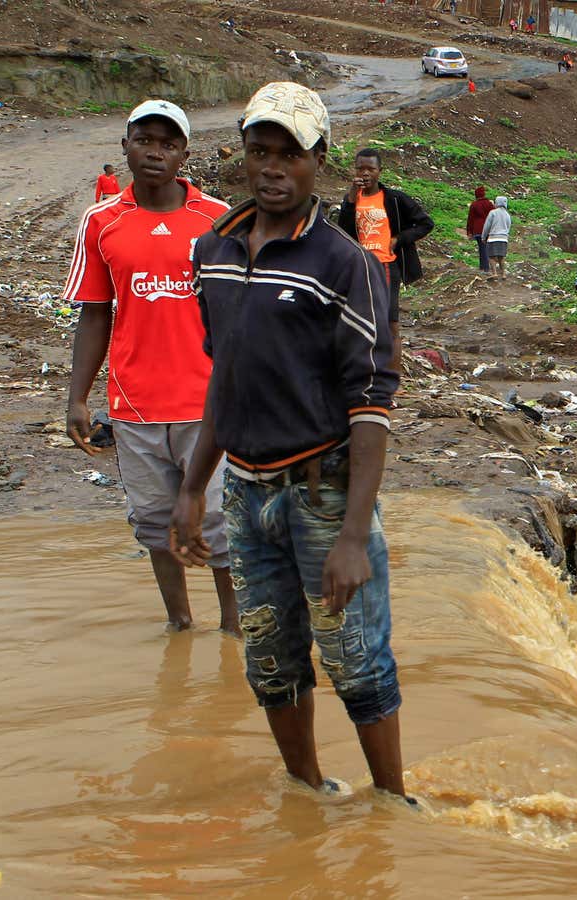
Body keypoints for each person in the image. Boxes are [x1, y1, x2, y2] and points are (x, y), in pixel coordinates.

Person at [172, 81, 409, 802]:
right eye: (260, 152)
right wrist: (191, 490)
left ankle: (393, 805)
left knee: (358, 662)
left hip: (323, 490)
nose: (273, 169)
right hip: (246, 495)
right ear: (243, 156)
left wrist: (350, 535)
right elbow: (225, 378)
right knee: (270, 664)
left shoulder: (346, 265)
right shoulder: (210, 253)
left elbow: (371, 405)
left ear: (320, 162)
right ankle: (308, 793)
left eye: (290, 155)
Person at [64, 100, 238, 635]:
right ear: (125, 146)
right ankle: (180, 625)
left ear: (185, 152)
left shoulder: (219, 219)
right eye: (144, 140)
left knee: (218, 523)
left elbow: (244, 313)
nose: (155, 152)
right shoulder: (101, 222)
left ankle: (234, 629)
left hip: (208, 403)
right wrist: (77, 397)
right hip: (134, 405)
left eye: (167, 143)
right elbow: (95, 314)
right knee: (154, 522)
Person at [336, 148, 434, 348]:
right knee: (360, 319)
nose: (365, 173)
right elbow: (343, 231)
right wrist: (351, 199)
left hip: (387, 266)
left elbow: (425, 223)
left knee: (390, 323)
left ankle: (391, 374)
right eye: (360, 168)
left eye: (370, 169)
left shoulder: (395, 199)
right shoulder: (352, 200)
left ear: (379, 170)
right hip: (361, 268)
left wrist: (399, 239)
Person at [465, 186, 493, 274]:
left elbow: (470, 219)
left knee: (482, 248)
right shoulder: (489, 204)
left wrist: (469, 231)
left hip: (477, 230)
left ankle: (484, 267)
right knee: (486, 248)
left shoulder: (474, 205)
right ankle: (485, 267)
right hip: (488, 229)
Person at [482, 196, 510, 279]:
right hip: (504, 238)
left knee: (491, 256)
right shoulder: (507, 214)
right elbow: (508, 226)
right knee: (501, 256)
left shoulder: (493, 213)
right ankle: (503, 274)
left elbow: (487, 226)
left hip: (493, 237)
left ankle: (494, 273)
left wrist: (484, 236)